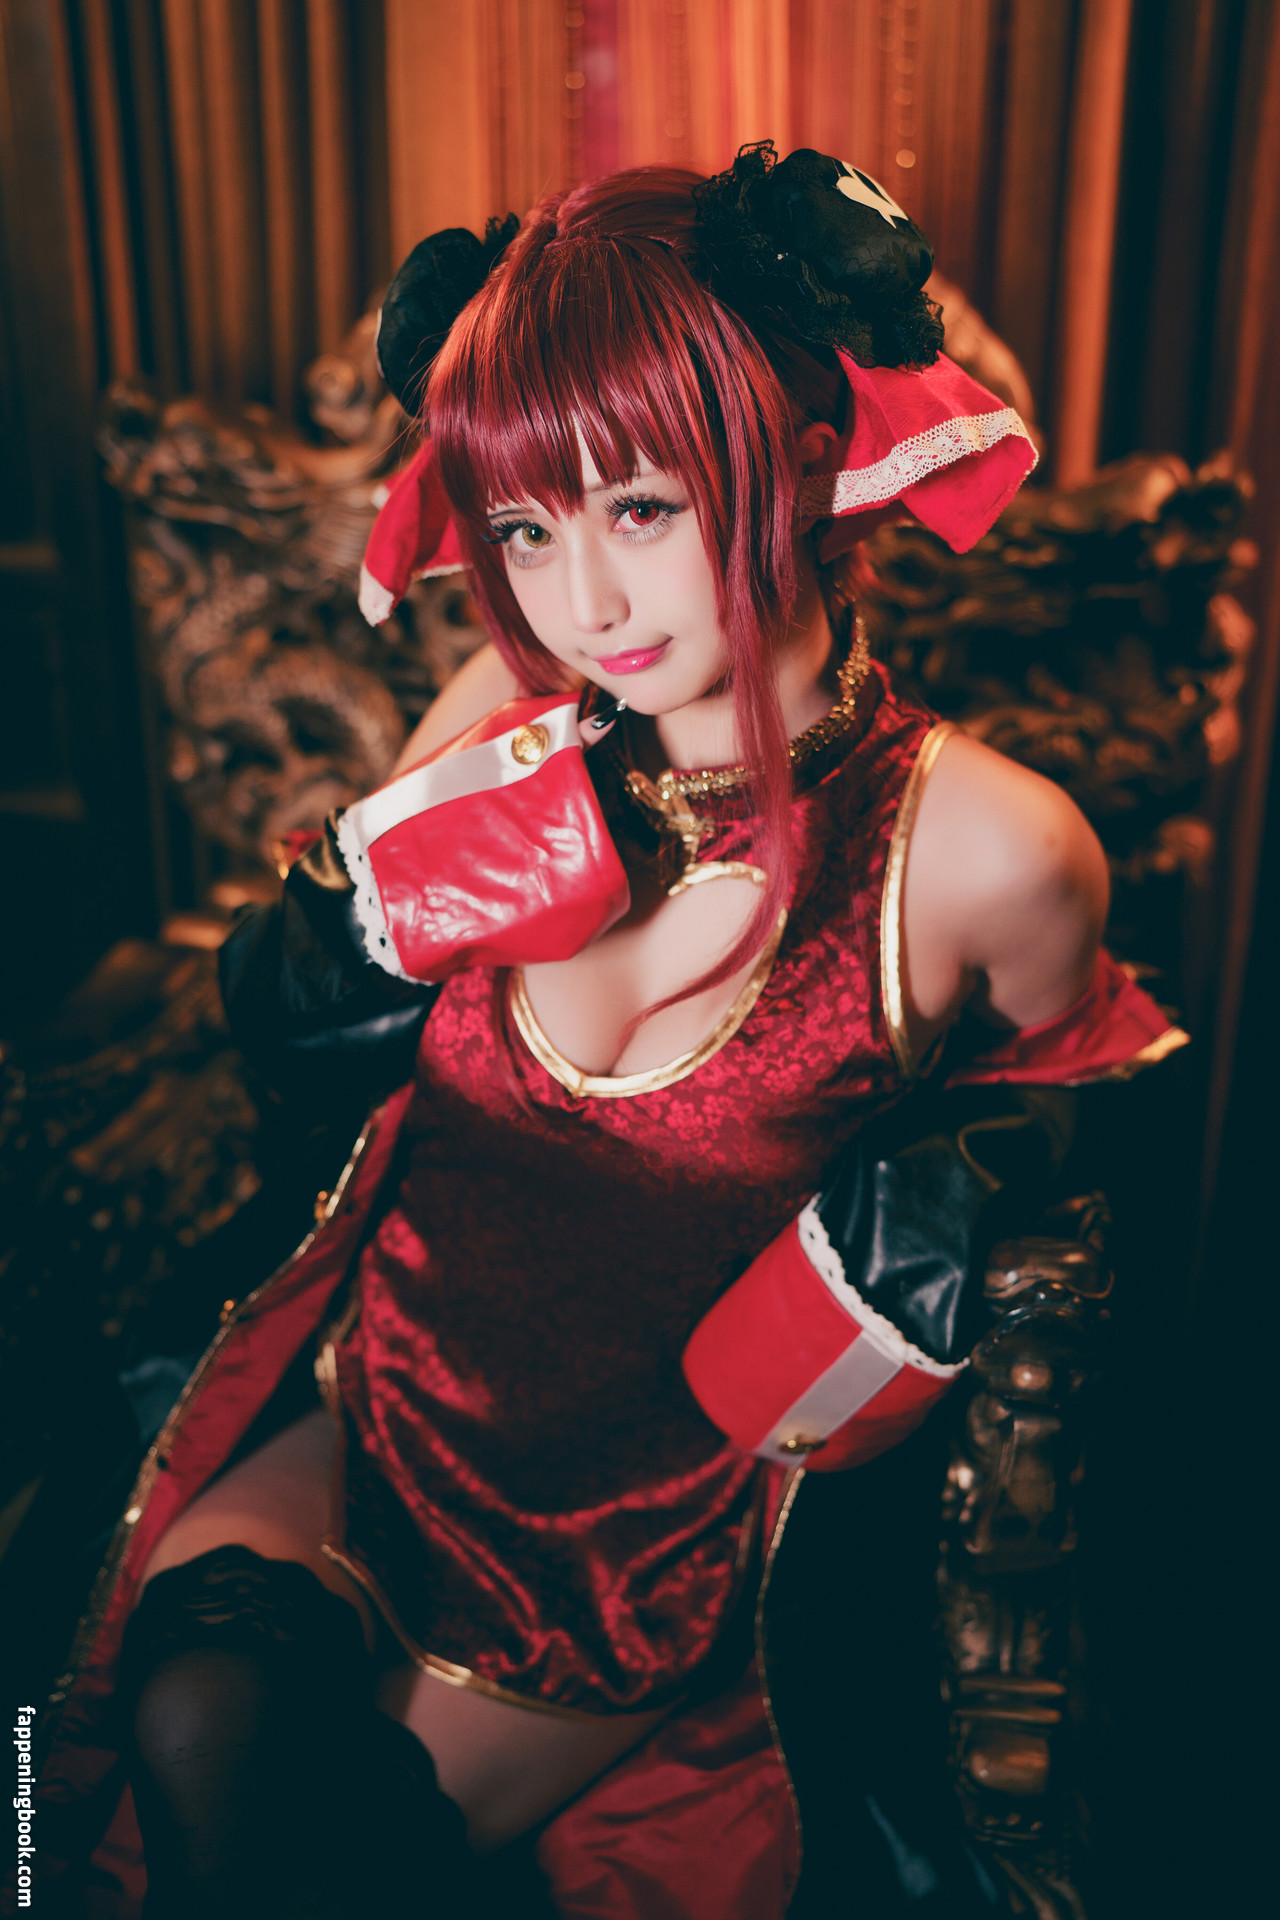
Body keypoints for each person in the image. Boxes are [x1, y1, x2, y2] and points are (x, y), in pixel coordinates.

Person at [29, 147, 1184, 1920]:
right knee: (184, 1723)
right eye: (523, 528)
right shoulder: (500, 710)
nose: (585, 605)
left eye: (639, 509)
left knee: (324, 1867)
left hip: (628, 1538)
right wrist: (349, 925)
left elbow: (1090, 1111)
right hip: (370, 1411)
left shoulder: (986, 853)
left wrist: (963, 1183)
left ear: (802, 458)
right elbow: (306, 1033)